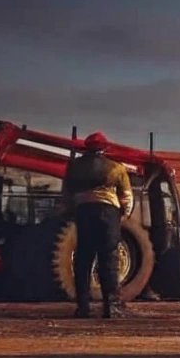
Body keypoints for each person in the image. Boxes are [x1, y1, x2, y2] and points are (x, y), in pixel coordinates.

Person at [61, 131, 134, 319]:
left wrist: (71, 213)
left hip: (84, 213)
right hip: (108, 214)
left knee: (83, 260)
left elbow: (66, 195)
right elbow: (126, 197)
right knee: (108, 259)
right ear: (105, 148)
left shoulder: (74, 167)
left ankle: (83, 307)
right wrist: (123, 215)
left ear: (87, 147)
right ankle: (111, 307)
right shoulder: (116, 168)